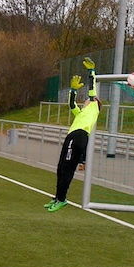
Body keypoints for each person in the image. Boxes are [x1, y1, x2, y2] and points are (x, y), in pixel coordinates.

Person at [45, 57, 101, 212]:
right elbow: (71, 104)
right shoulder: (81, 113)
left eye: (90, 99)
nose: (87, 100)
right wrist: (73, 91)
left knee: (67, 168)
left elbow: (92, 90)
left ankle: (62, 199)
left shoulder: (94, 107)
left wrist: (91, 72)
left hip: (79, 136)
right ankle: (58, 197)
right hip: (72, 136)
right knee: (61, 167)